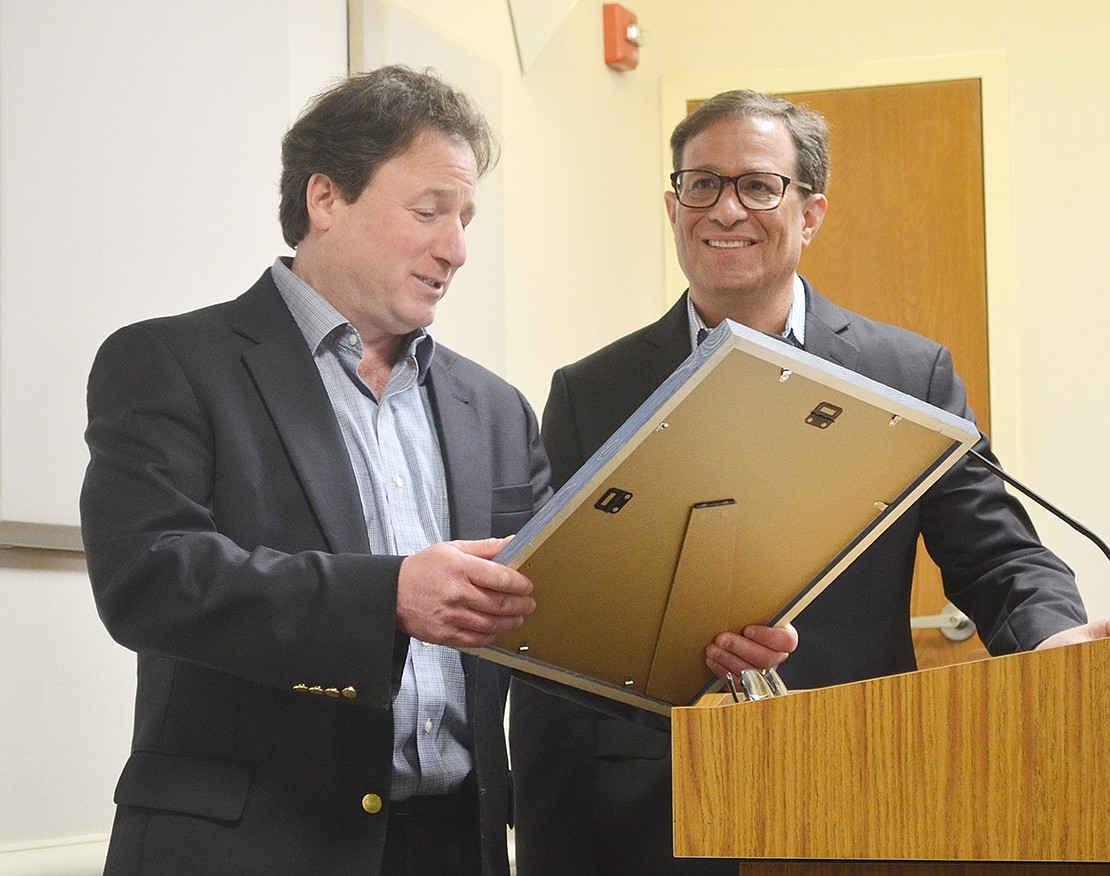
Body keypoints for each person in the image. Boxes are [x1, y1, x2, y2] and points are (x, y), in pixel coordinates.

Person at [509, 88, 1105, 875]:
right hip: (655, 816)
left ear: (811, 213)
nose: (726, 210)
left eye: (758, 185)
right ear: (672, 203)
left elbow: (999, 558)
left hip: (858, 789)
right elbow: (558, 629)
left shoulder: (905, 374)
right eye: (702, 184)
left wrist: (1056, 645)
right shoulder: (592, 390)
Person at [80, 66, 551, 876]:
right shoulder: (167, 362)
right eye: (430, 211)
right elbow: (150, 579)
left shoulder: (499, 409)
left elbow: (554, 603)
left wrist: (697, 633)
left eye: (466, 218)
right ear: (325, 199)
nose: (457, 249)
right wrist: (387, 597)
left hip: (453, 849)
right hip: (252, 847)